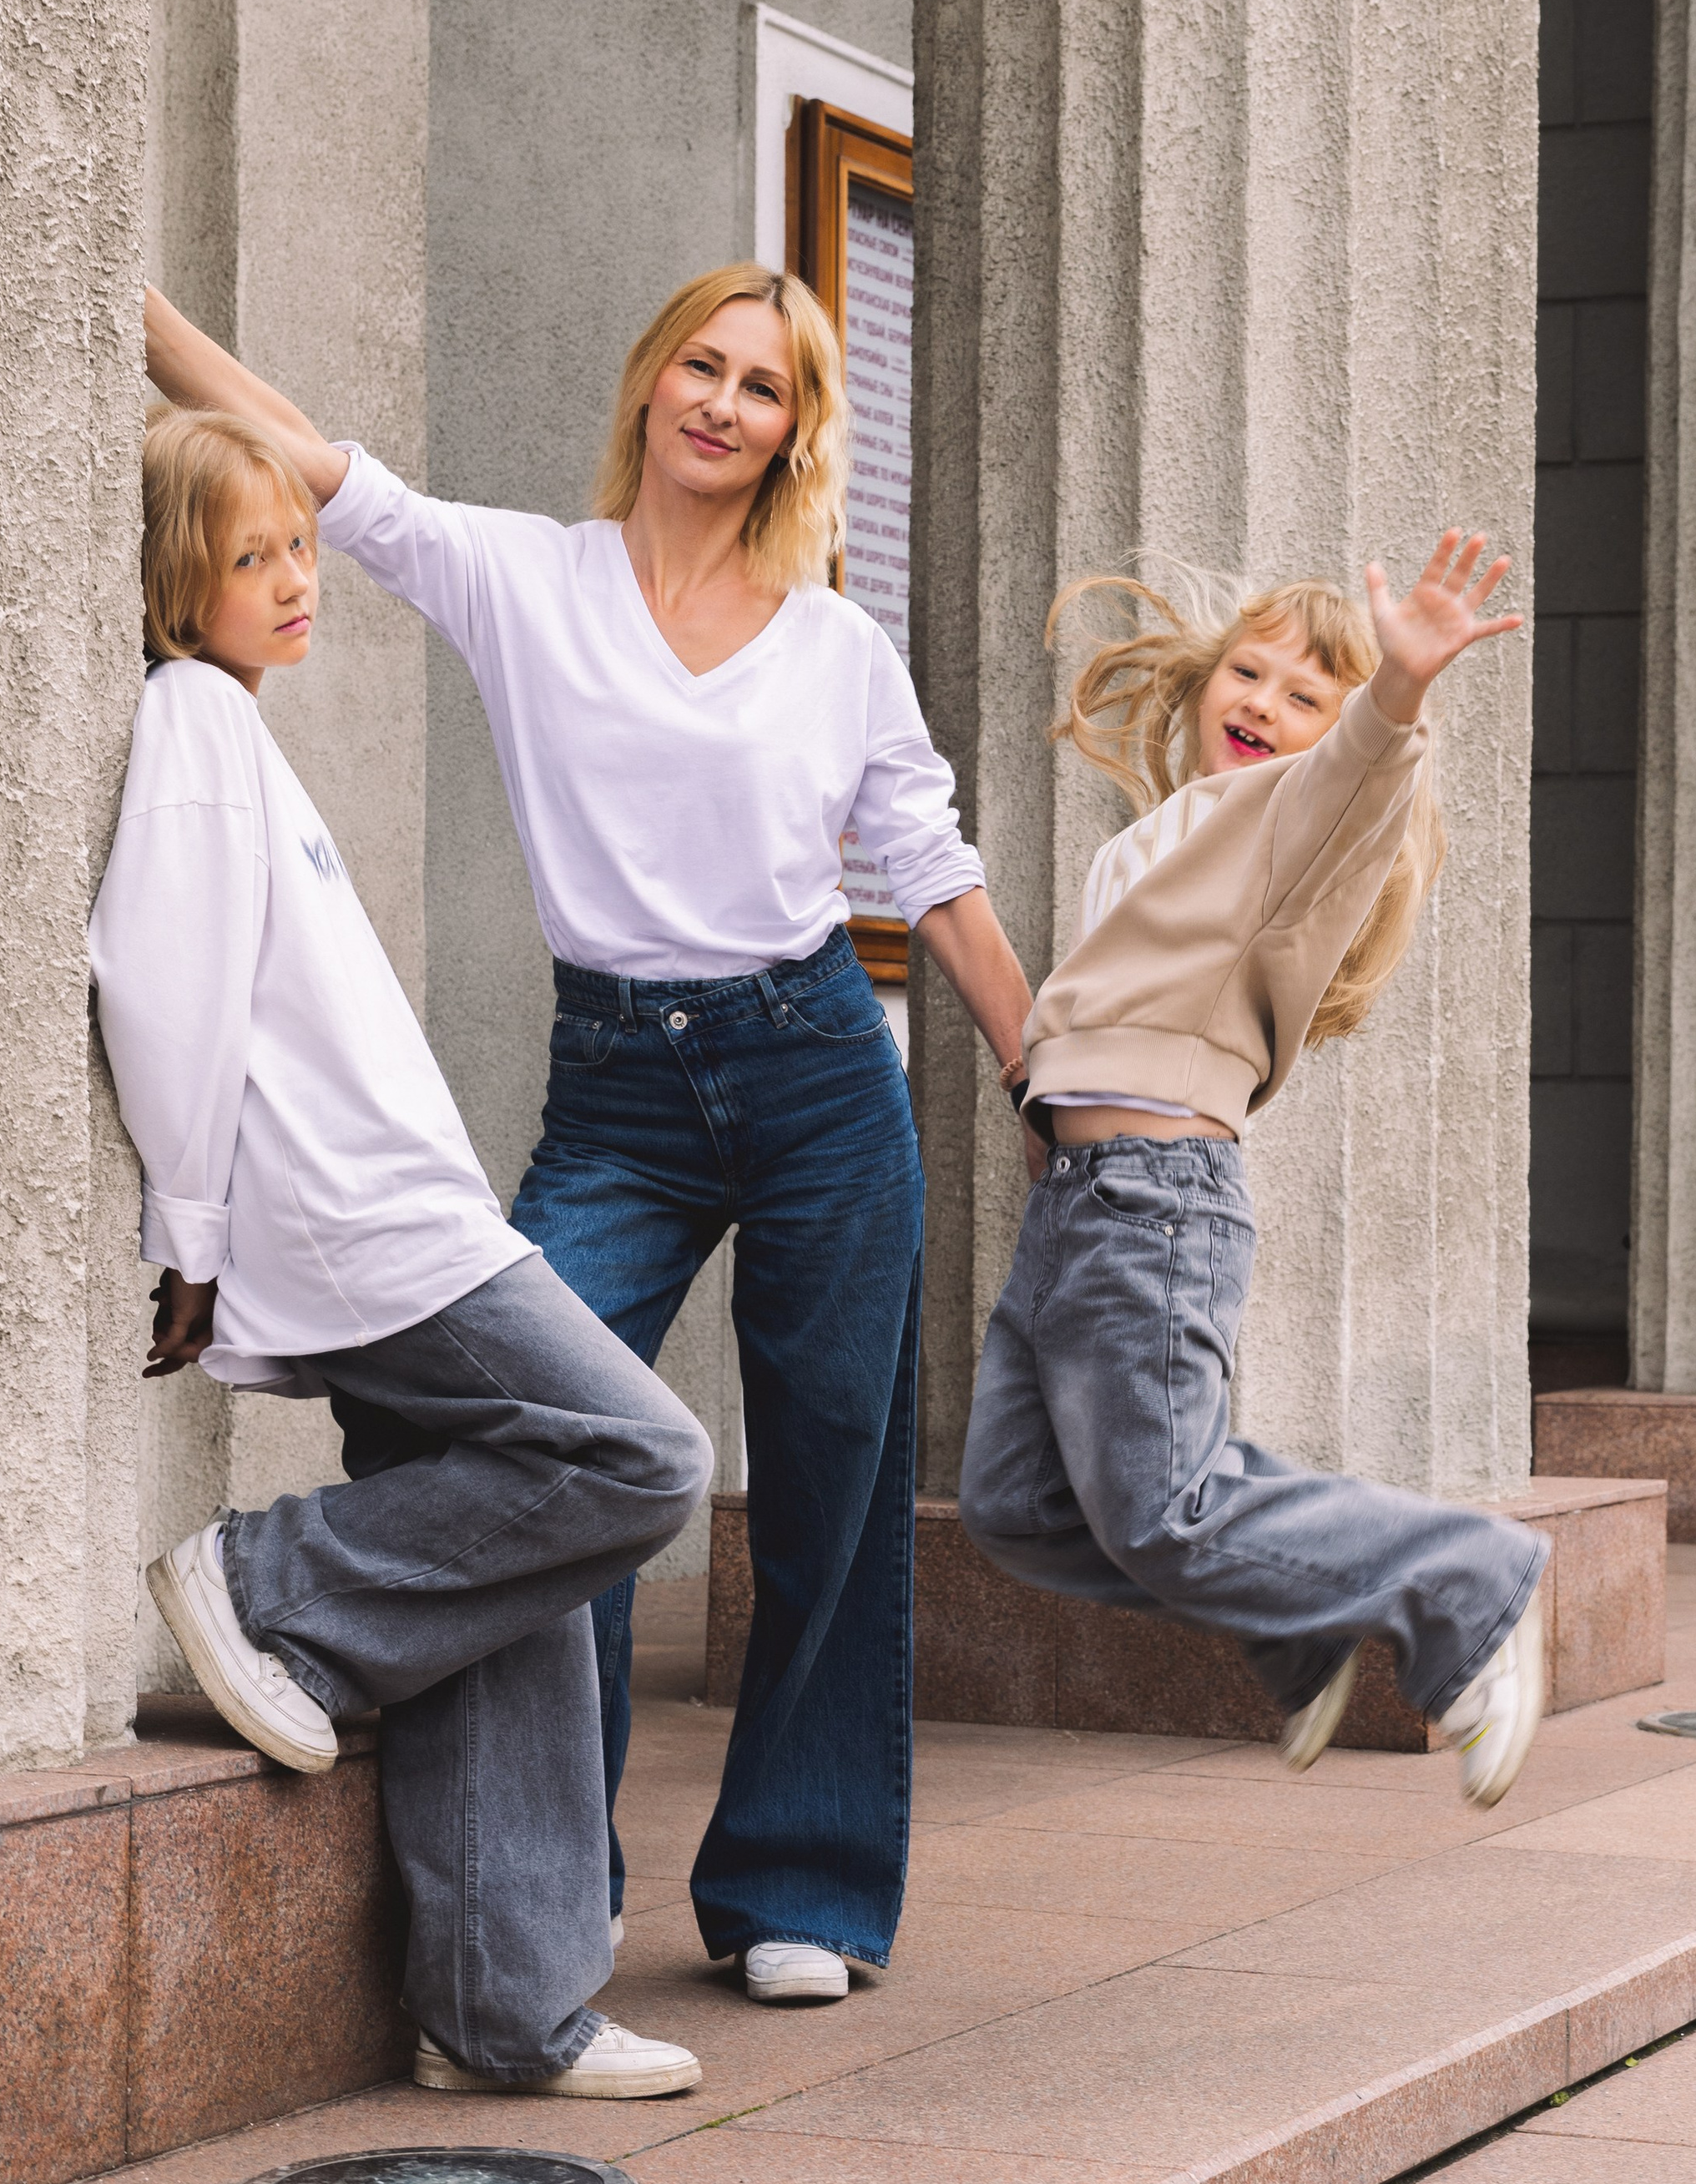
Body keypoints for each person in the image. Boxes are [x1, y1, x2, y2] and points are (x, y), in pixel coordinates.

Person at [140, 269, 1038, 2009]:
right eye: (698, 366)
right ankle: (558, 1882)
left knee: (827, 1491)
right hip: (616, 1089)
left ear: (793, 429)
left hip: (813, 1077)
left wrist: (1032, 1070)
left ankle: (803, 1883)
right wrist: (146, 313)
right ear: (648, 385)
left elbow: (927, 867)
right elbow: (314, 468)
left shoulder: (836, 647)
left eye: (761, 386)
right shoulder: (523, 578)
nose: (720, 403)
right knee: (560, 1437)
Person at [92, 403, 714, 2100]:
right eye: (251, 557)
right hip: (373, 1238)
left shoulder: (237, 728)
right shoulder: (195, 727)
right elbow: (166, 992)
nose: (298, 580)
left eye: (300, 544)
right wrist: (193, 1233)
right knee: (640, 1459)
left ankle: (502, 2008)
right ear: (173, 581)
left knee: (505, 1590)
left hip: (405, 1221)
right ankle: (267, 1586)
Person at [960, 534, 1550, 1802]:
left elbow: (1360, 772)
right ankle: (1297, 1618)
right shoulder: (1170, 833)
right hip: (1078, 1206)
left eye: (1303, 696)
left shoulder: (1298, 821)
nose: (1265, 706)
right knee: (1013, 1503)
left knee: (1168, 1508)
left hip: (1153, 1208)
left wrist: (1395, 690)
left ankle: (1474, 1578)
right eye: (1251, 673)